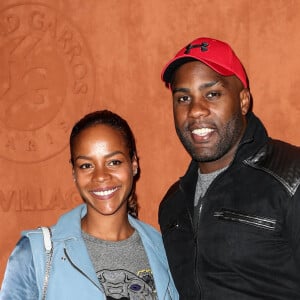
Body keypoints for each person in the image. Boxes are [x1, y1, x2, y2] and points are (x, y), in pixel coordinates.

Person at [158, 37, 300, 299]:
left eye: (212, 94)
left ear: (243, 101)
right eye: (183, 98)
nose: (196, 111)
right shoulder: (172, 204)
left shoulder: (292, 177)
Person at [0, 110, 178, 300]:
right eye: (86, 165)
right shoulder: (36, 253)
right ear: (74, 173)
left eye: (114, 162)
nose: (100, 176)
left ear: (133, 164)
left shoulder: (163, 249)